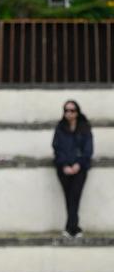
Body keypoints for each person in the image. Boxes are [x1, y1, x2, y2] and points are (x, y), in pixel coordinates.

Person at [52, 99, 93, 239]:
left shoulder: (85, 127)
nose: (69, 113)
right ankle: (74, 228)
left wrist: (78, 164)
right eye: (66, 110)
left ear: (77, 112)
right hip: (63, 169)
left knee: (74, 197)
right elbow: (57, 148)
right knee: (69, 198)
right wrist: (64, 165)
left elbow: (88, 149)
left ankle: (71, 228)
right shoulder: (60, 127)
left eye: (72, 110)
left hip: (80, 169)